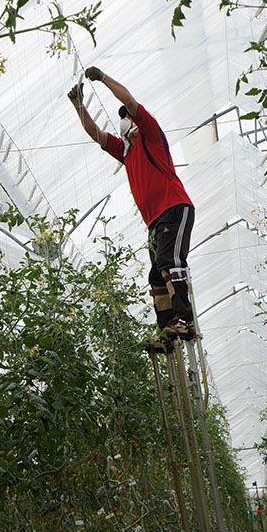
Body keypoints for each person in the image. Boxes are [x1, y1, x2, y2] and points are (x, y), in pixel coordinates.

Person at [68, 66, 196, 343]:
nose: (125, 121)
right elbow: (96, 134)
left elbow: (129, 101)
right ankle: (167, 330)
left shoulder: (151, 135)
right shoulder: (126, 152)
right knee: (156, 277)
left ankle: (184, 320)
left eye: (128, 119)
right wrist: (79, 106)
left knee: (169, 262)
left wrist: (102, 79)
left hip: (174, 207)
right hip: (154, 220)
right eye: (123, 121)